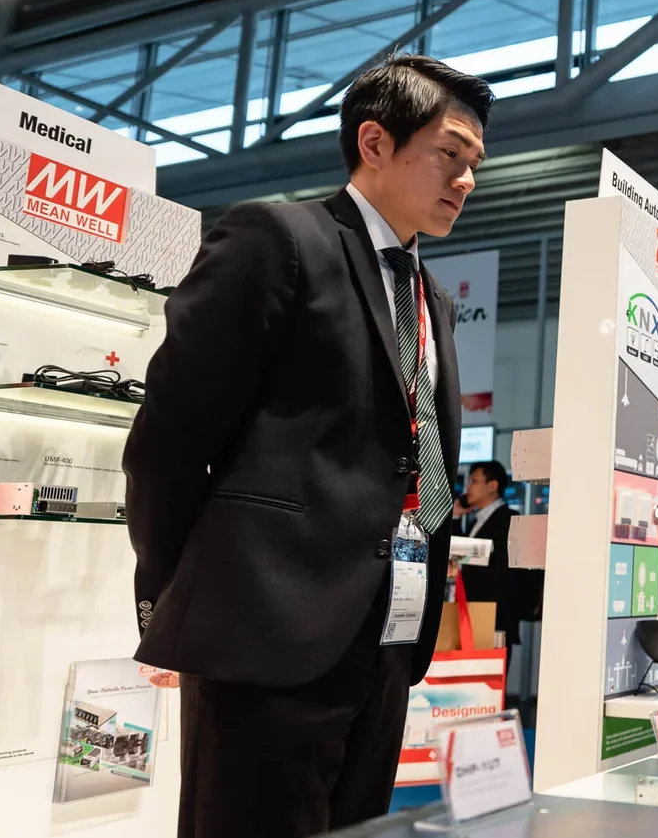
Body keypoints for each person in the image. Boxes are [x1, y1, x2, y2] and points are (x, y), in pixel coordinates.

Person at [123, 54, 491, 838]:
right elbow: (171, 434)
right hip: (266, 629)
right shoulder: (279, 238)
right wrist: (174, 587)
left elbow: (418, 458)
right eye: (449, 155)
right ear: (375, 142)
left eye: (474, 165)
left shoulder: (433, 300)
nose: (465, 180)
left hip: (389, 635)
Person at [452, 461, 523, 667]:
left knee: (490, 681)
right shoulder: (476, 521)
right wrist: (456, 516)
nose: (468, 488)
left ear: (493, 485)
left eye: (474, 481)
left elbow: (504, 575)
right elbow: (458, 555)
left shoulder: (509, 520)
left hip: (494, 617)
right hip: (470, 613)